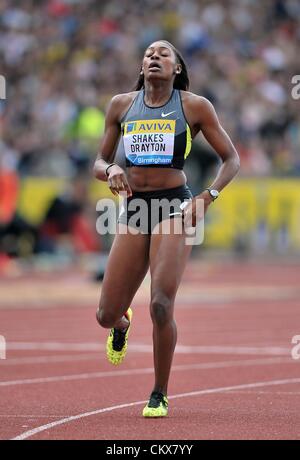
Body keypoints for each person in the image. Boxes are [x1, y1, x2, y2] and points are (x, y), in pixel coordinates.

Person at [93, 40, 240, 417]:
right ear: (141, 67)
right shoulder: (121, 105)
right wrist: (111, 169)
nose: (154, 57)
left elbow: (231, 159)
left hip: (175, 205)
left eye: (163, 54)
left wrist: (207, 197)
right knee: (105, 315)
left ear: (176, 68)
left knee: (161, 303)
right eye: (148, 54)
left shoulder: (194, 106)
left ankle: (159, 392)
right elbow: (98, 161)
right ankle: (123, 324)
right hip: (134, 209)